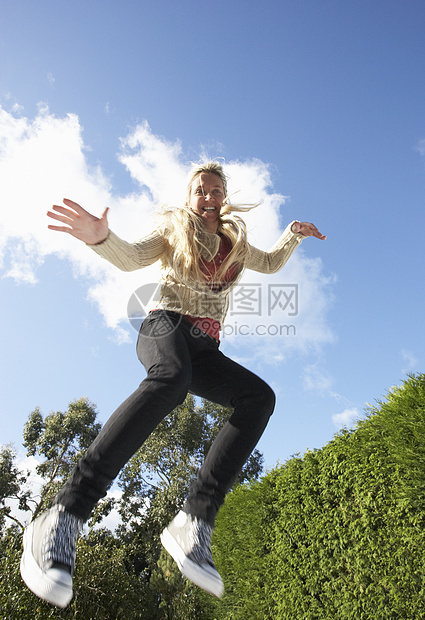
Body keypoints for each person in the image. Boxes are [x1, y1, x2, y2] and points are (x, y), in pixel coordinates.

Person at [20, 161, 326, 608]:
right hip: (164, 324)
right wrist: (101, 239)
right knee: (170, 380)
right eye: (200, 190)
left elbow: (272, 262)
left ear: (224, 198)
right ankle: (65, 514)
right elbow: (132, 257)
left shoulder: (236, 245)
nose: (208, 196)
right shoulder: (174, 232)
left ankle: (194, 521)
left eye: (215, 190)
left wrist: (293, 235)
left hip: (205, 347)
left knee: (259, 398)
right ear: (190, 198)